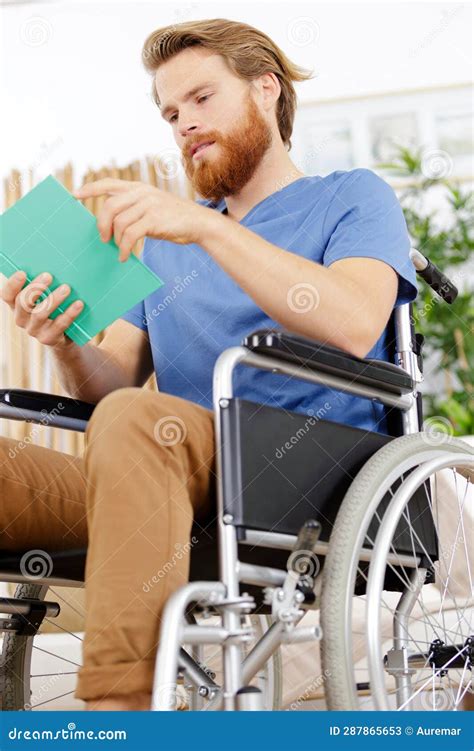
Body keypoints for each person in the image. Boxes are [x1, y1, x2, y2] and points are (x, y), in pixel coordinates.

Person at [0, 18, 417, 711]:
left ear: (264, 89)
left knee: (140, 421)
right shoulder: (163, 247)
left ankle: (120, 709)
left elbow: (352, 320)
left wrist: (207, 227)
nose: (184, 123)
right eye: (170, 113)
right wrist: (67, 339)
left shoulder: (351, 195)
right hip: (159, 478)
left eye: (200, 98)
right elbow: (113, 387)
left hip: (304, 480)